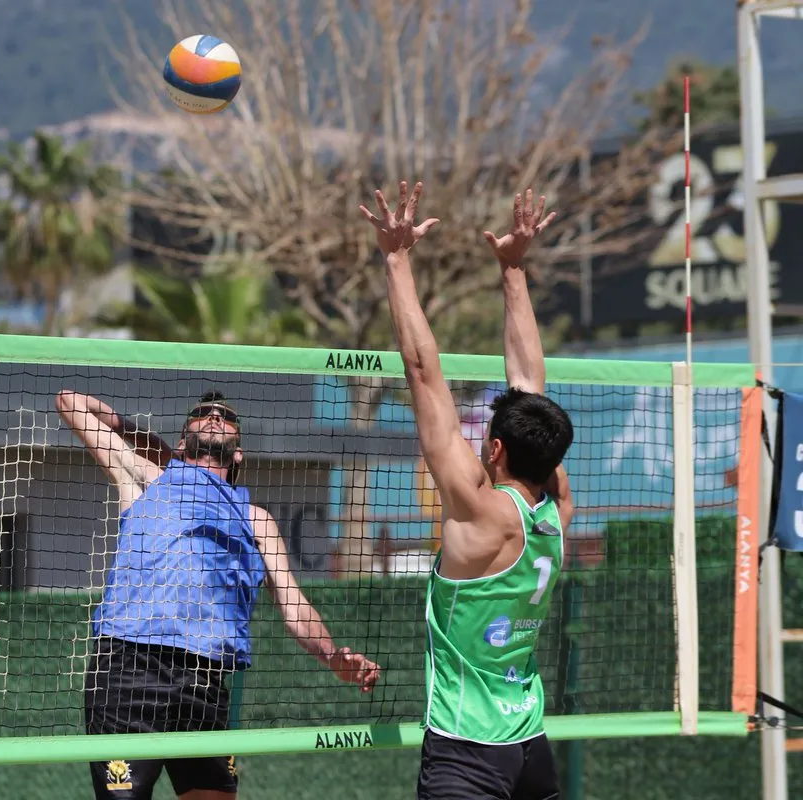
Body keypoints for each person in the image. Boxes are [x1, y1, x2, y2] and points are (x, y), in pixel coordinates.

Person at [55, 389, 381, 800]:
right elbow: (71, 402)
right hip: (131, 668)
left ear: (239, 453)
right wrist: (150, 445)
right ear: (181, 439)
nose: (213, 418)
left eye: (225, 418)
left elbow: (295, 605)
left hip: (205, 677)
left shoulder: (255, 520)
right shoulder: (144, 478)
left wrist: (333, 655)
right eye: (201, 415)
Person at [358, 183, 574, 800]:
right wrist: (513, 270)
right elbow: (529, 383)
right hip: (528, 741)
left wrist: (397, 261)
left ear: (497, 449)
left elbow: (423, 373)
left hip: (467, 751)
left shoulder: (481, 513)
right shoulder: (557, 507)